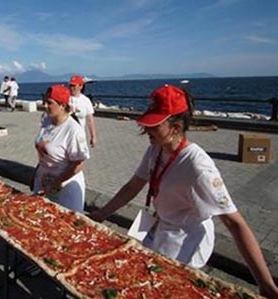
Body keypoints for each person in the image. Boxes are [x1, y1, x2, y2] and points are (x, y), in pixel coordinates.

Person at [89, 85, 278, 298]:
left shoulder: (198, 167)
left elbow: (234, 223)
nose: (147, 130)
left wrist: (264, 282)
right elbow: (133, 186)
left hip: (186, 240)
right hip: (161, 228)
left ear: (176, 127)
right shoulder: (155, 149)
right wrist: (102, 214)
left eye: (154, 125)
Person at [32, 84, 89, 213]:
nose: (44, 106)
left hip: (65, 186)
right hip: (44, 181)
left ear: (63, 105)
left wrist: (57, 182)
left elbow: (79, 164)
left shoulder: (73, 130)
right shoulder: (46, 120)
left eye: (49, 103)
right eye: (44, 101)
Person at [68, 75, 98, 147]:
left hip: (79, 136)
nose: (72, 88)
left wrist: (93, 136)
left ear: (80, 86)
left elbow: (90, 120)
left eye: (74, 86)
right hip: (66, 136)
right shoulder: (65, 98)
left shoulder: (85, 100)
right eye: (70, 85)